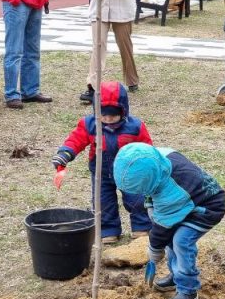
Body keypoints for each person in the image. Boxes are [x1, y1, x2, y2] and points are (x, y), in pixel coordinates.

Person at [114, 143, 225, 299]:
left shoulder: (173, 192)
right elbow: (152, 191)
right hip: (187, 200)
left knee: (180, 241)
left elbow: (162, 229)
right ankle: (176, 275)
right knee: (170, 238)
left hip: (206, 208)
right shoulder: (155, 158)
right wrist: (150, 204)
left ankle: (188, 289)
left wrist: (154, 250)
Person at [52, 82, 152, 244]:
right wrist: (65, 154)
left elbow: (147, 148)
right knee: (103, 202)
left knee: (137, 200)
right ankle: (108, 230)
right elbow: (75, 140)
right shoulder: (90, 125)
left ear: (124, 110)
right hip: (101, 173)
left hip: (130, 173)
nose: (108, 118)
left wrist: (148, 163)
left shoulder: (135, 127)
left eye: (113, 115)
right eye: (103, 114)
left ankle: (142, 226)